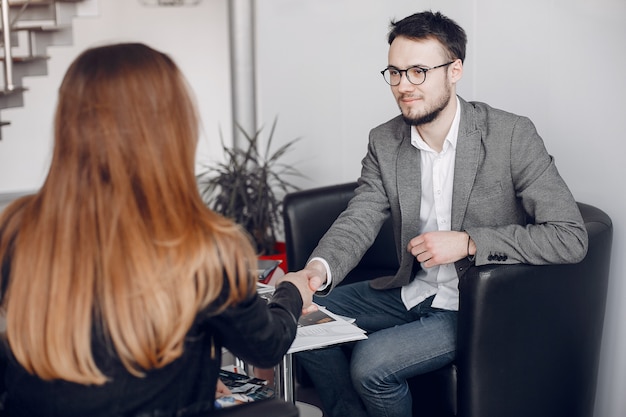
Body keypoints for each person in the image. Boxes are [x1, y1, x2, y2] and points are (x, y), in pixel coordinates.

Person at [295, 10, 588, 417]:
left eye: (418, 71)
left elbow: (570, 236)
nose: (403, 86)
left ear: (455, 70)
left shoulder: (511, 135)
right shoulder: (385, 140)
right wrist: (316, 272)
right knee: (301, 320)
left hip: (473, 304)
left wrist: (469, 242)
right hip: (410, 288)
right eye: (395, 73)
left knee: (371, 366)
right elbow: (359, 216)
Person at [0, 42, 318, 417]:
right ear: (172, 129)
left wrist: (195, 371)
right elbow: (265, 347)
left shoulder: (16, 226)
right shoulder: (202, 245)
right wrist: (291, 293)